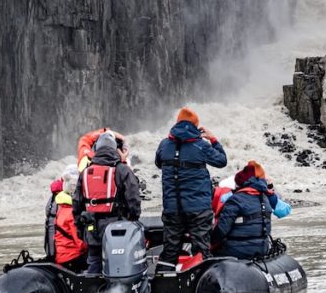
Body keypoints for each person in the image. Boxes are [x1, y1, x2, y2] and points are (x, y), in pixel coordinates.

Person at [154, 106, 227, 273]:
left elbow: (158, 162)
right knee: (201, 250)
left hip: (172, 208)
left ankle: (162, 287)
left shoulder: (164, 145)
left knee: (170, 251)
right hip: (198, 209)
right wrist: (213, 139)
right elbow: (222, 161)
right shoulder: (201, 145)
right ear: (196, 126)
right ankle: (203, 285)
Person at [73, 132, 142, 274]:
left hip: (92, 229)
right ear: (114, 149)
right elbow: (134, 198)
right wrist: (133, 220)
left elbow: (76, 205)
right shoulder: (122, 170)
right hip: (117, 228)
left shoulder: (84, 173)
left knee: (94, 263)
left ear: (96, 150)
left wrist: (80, 230)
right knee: (118, 266)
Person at [212, 161, 275, 260]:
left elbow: (221, 230)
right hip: (263, 248)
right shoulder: (265, 198)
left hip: (239, 250)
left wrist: (209, 244)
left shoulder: (236, 200)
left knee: (207, 255)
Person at [52, 169, 88, 272]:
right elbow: (80, 243)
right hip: (71, 256)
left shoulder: (61, 208)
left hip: (61, 255)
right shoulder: (72, 213)